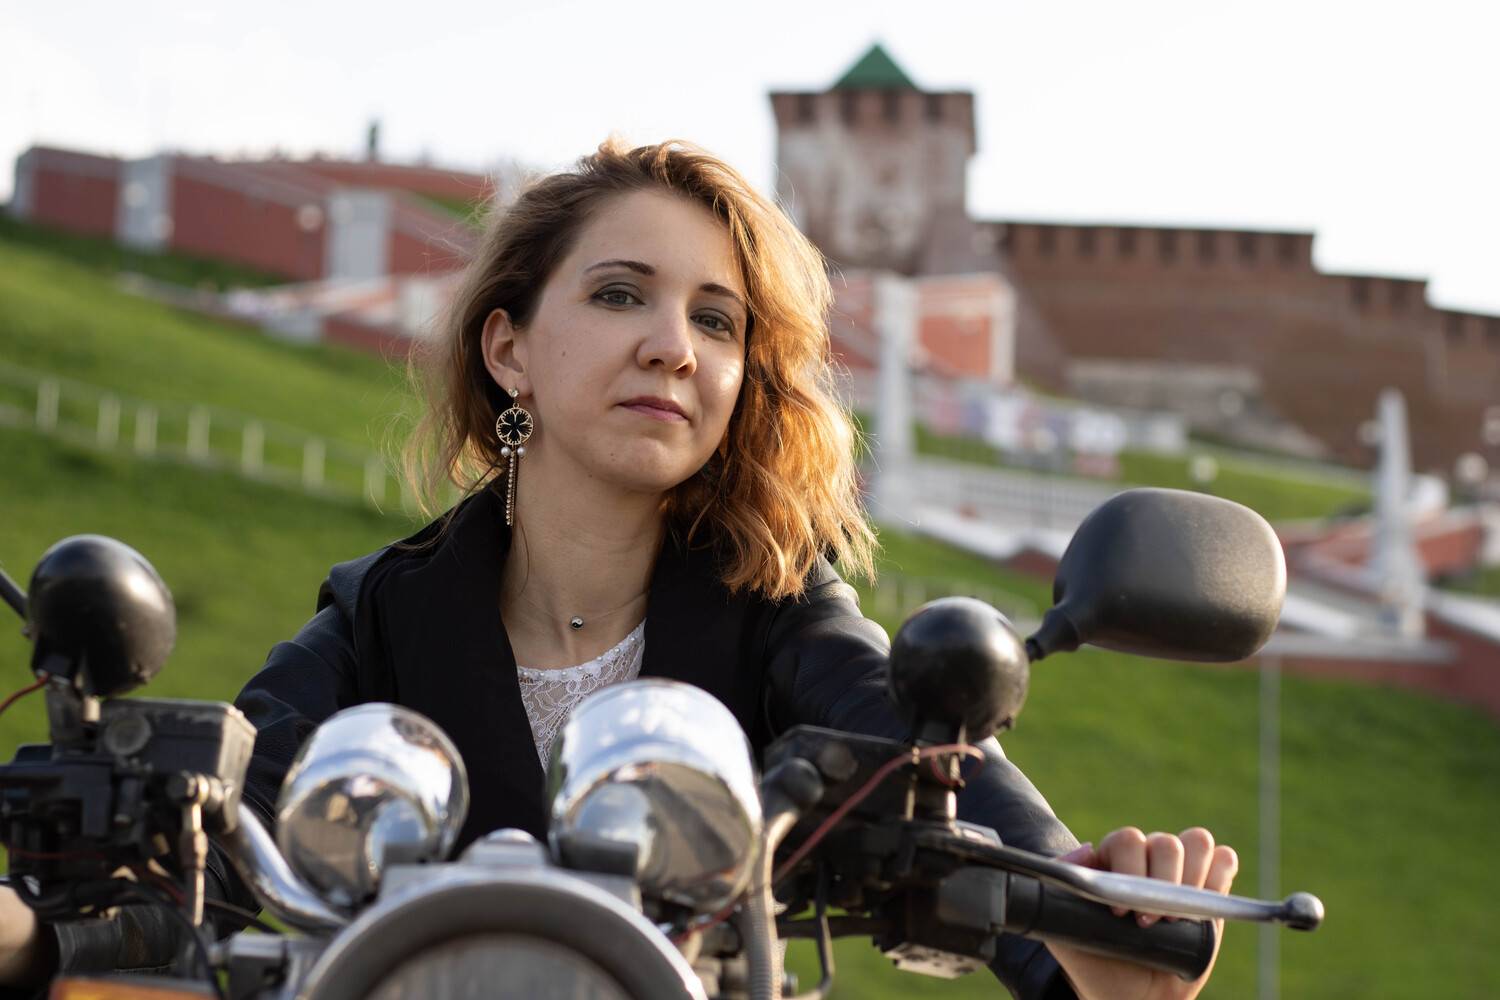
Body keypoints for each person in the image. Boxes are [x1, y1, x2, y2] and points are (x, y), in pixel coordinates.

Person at [0, 139, 1239, 1000]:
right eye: (619, 295)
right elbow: (207, 845)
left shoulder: (780, 608)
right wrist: (28, 931)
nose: (673, 346)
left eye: (717, 319)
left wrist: (1101, 919)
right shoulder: (385, 609)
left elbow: (933, 775)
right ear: (509, 350)